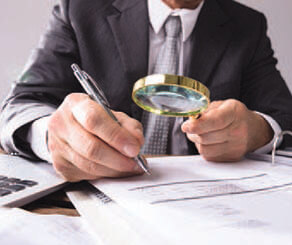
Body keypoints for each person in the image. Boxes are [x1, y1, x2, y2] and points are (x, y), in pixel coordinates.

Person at [0, 0, 292, 181]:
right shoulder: (79, 7)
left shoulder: (248, 25)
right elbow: (21, 103)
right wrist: (54, 136)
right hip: (97, 194)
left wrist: (257, 131)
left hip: (205, 198)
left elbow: (283, 116)